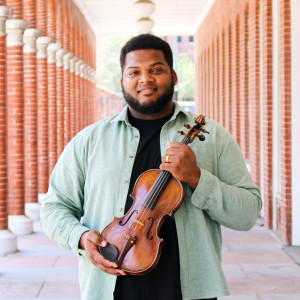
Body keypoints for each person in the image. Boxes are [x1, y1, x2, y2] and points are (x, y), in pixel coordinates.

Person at [40, 34, 262, 300]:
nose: (145, 79)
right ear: (122, 80)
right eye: (134, 72)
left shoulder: (212, 136)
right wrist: (80, 237)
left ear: (174, 76)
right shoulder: (90, 140)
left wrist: (198, 178)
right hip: (109, 289)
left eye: (156, 69)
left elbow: (248, 212)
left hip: (190, 292)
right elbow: (54, 207)